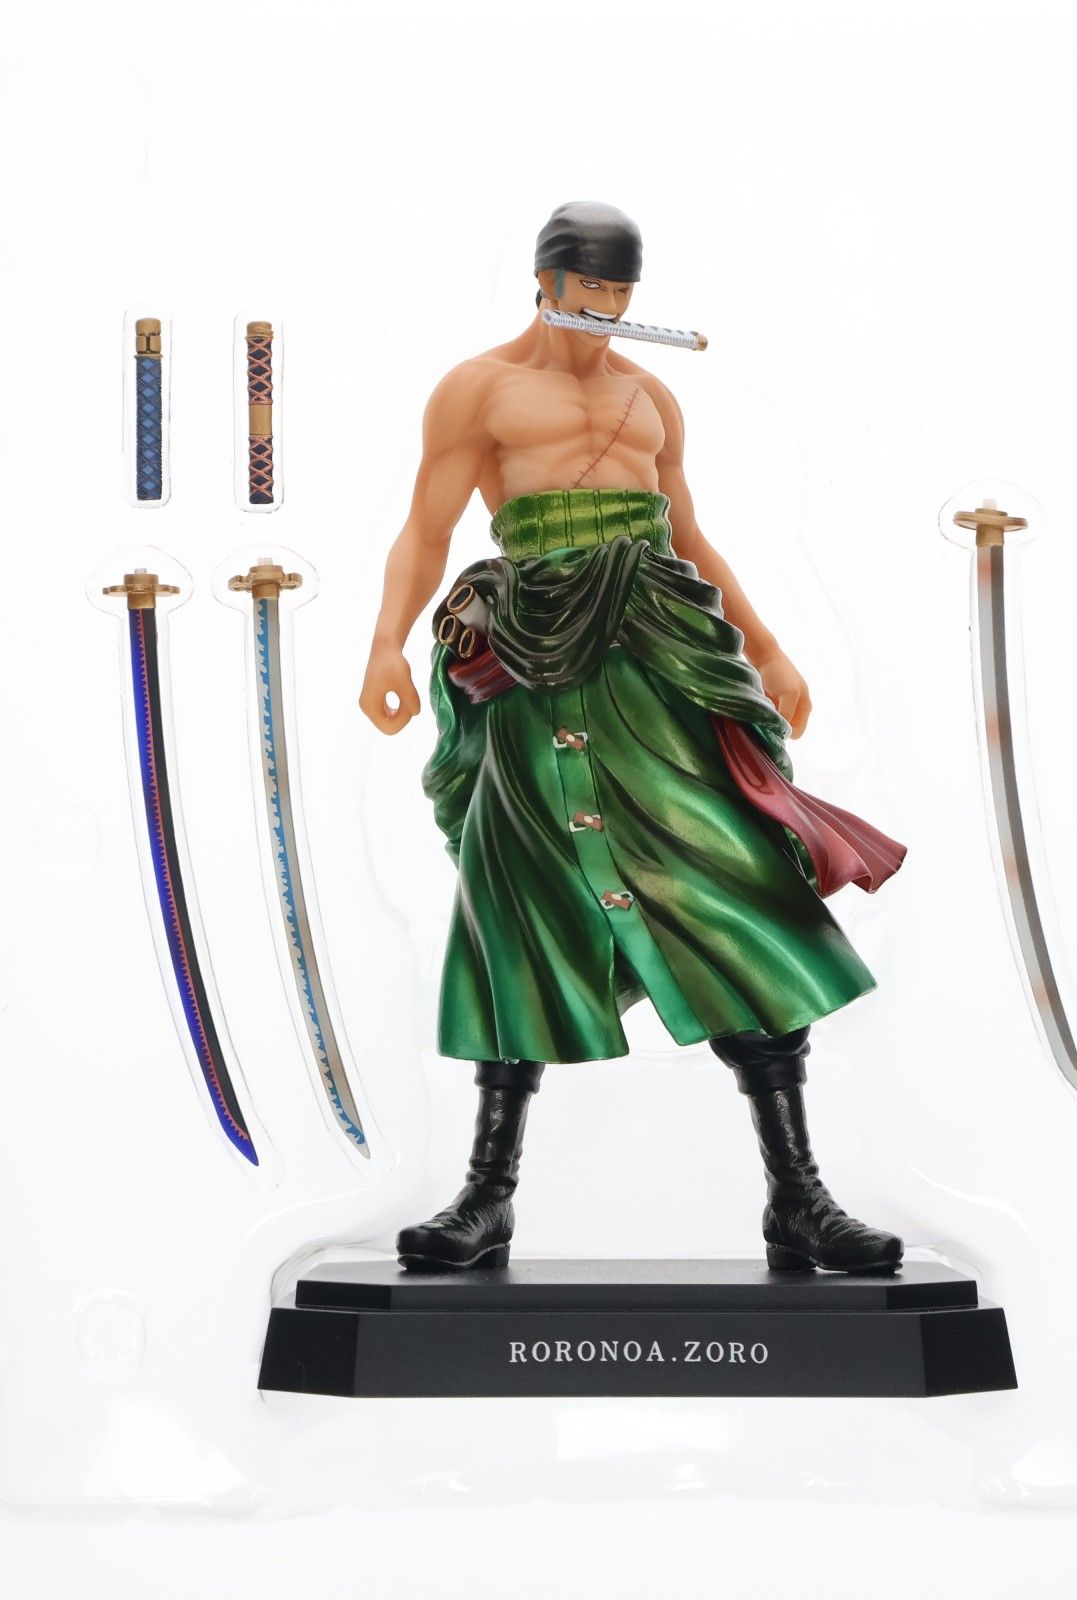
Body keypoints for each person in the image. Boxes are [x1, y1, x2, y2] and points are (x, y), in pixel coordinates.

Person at [359, 201, 907, 1273]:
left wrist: (766, 646)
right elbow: (426, 527)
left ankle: (797, 1195)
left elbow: (687, 533)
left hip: (655, 653)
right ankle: (486, 1195)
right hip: (531, 656)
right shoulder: (479, 389)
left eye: (621, 289)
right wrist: (384, 643)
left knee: (734, 878)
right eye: (590, 285)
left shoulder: (650, 397)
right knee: (517, 895)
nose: (606, 306)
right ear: (546, 280)